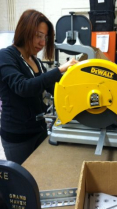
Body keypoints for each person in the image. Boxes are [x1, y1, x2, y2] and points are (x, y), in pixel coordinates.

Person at [0, 9, 78, 165]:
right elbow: (23, 87)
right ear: (25, 30)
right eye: (38, 35)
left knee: (41, 172)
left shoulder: (35, 61)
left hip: (39, 129)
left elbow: (53, 87)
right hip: (18, 135)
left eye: (45, 37)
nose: (42, 43)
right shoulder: (6, 56)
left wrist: (78, 85)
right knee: (24, 182)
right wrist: (59, 69)